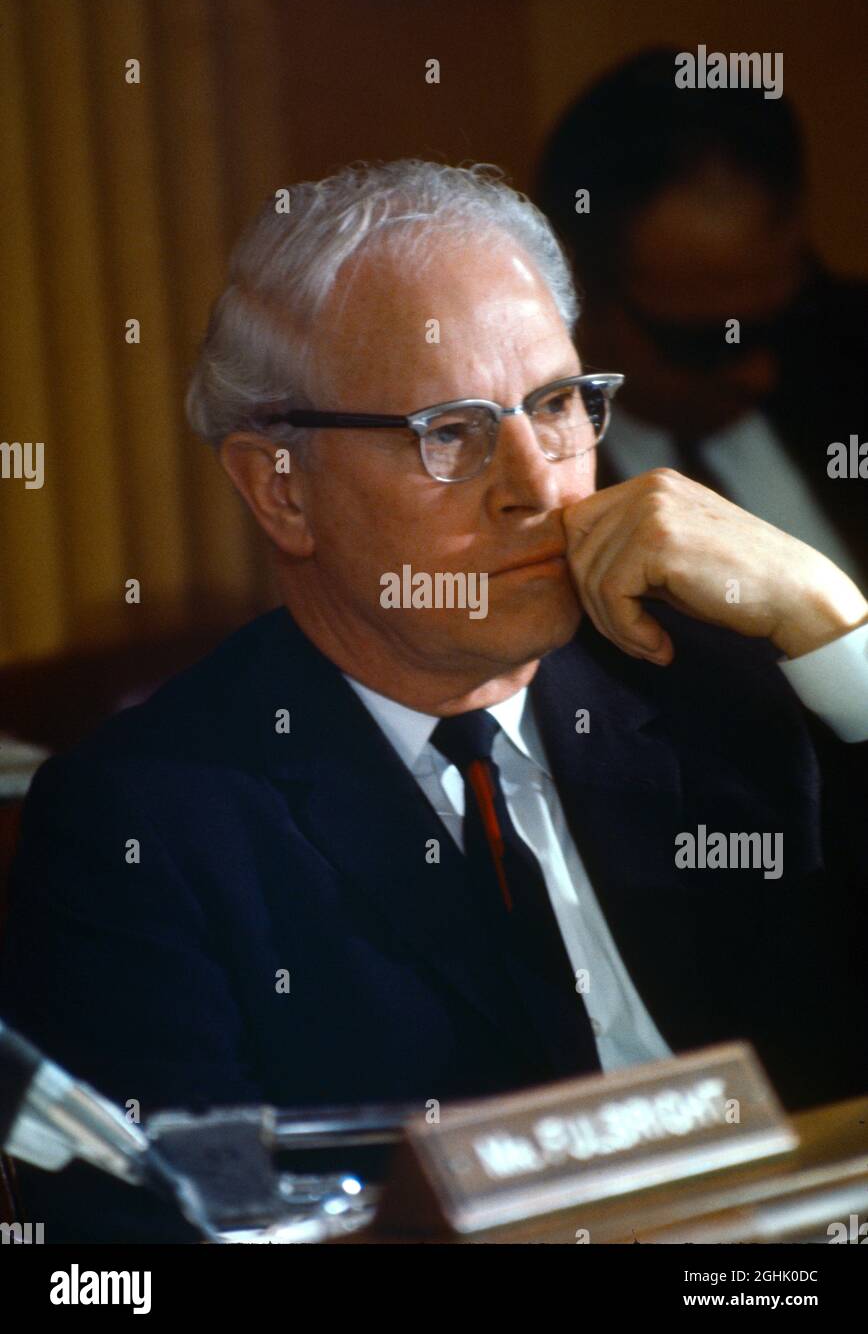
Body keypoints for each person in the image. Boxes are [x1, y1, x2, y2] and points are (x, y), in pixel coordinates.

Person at [1, 160, 866, 1242]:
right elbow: (139, 1239)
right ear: (281, 486)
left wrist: (842, 633)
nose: (536, 484)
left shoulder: (727, 681)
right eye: (448, 431)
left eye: (555, 405)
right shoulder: (147, 828)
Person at [534, 48, 868, 590]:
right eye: (705, 344)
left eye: (779, 322)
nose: (758, 373)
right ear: (577, 294)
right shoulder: (530, 490)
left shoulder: (850, 358)